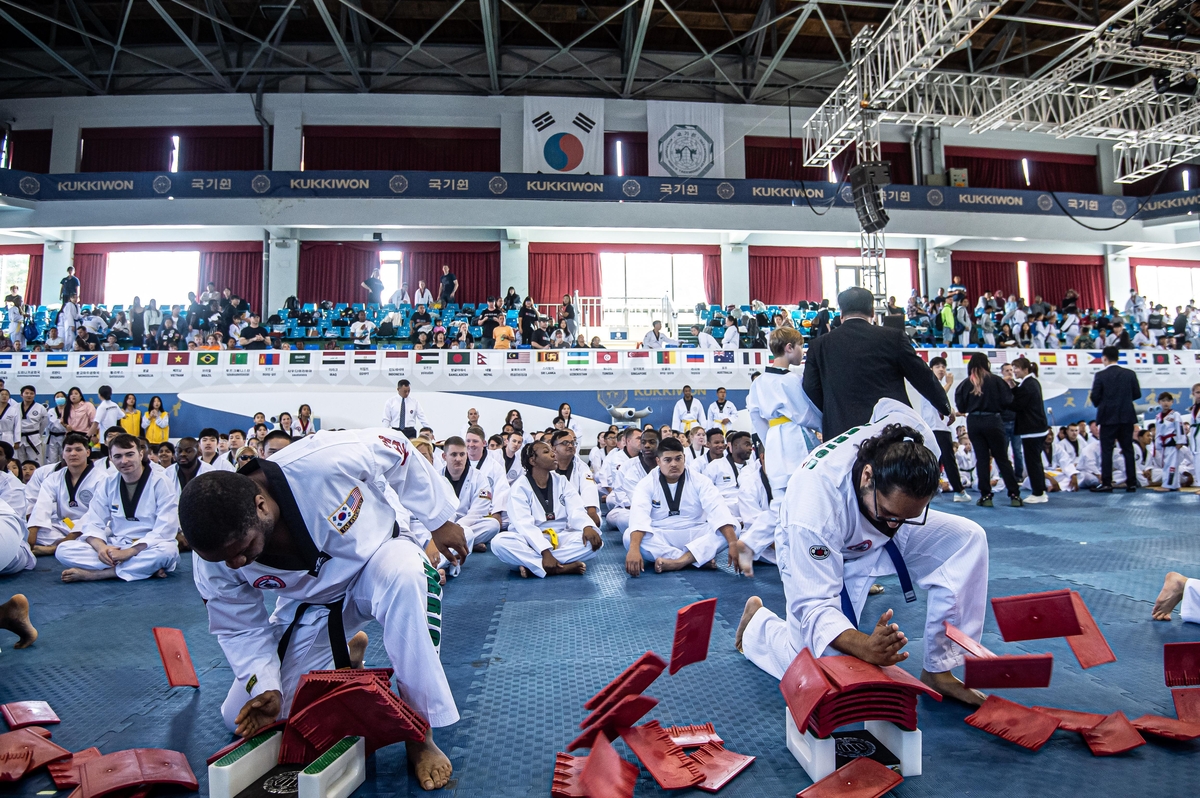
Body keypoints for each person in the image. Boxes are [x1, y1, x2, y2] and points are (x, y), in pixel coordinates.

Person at [179, 430, 468, 791]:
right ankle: (346, 656)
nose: (235, 563)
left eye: (243, 548)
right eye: (223, 559)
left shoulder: (323, 461)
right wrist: (265, 684)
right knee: (247, 716)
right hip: (311, 605)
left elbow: (399, 448)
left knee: (410, 575)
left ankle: (419, 733)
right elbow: (239, 627)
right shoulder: (215, 558)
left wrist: (438, 520)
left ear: (261, 506)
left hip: (378, 563)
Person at [736, 403, 989, 706]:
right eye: (892, 513)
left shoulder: (914, 447)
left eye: (909, 515)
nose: (896, 525)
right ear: (868, 477)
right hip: (828, 541)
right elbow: (815, 607)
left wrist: (898, 517)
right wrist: (865, 646)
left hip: (871, 522)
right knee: (819, 663)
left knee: (966, 539)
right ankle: (757, 627)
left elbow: (887, 403)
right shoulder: (815, 507)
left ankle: (940, 669)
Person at [804, 287, 951, 441]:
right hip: (889, 433)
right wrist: (944, 406)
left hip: (841, 435)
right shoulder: (894, 338)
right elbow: (922, 376)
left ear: (841, 313)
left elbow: (810, 388)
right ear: (872, 312)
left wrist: (832, 411)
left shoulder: (818, 345)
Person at [54, 433, 179, 583]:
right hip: (117, 545)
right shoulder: (108, 483)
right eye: (118, 456)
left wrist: (131, 552)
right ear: (111, 458)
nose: (124, 461)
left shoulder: (161, 482)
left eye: (129, 454)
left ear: (140, 454)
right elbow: (94, 520)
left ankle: (99, 574)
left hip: (150, 546)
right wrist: (101, 548)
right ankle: (142, 569)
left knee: (167, 552)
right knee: (63, 550)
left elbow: (166, 528)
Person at [624, 436, 742, 576]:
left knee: (734, 526)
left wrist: (734, 544)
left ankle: (678, 562)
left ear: (684, 458)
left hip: (696, 531)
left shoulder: (700, 480)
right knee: (628, 537)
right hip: (662, 534)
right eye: (667, 460)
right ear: (658, 461)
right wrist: (633, 549)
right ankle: (694, 558)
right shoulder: (646, 483)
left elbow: (717, 509)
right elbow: (639, 516)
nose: (673, 464)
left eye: (678, 459)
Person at [491, 440, 602, 578]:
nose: (553, 454)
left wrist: (587, 526)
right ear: (533, 460)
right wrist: (545, 552)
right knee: (499, 543)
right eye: (546, 452)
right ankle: (558, 567)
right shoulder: (520, 487)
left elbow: (576, 509)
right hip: (528, 540)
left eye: (552, 451)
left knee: (595, 542)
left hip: (560, 536)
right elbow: (523, 524)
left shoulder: (561, 481)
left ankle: (535, 566)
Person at [747, 327, 822, 501]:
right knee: (804, 488)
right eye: (800, 346)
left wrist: (769, 440)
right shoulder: (792, 380)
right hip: (795, 435)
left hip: (773, 438)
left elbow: (756, 417)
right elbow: (805, 414)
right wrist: (824, 424)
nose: (802, 352)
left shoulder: (758, 382)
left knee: (780, 496)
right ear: (789, 348)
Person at [955, 353, 1023, 507]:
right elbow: (1008, 401)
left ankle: (986, 496)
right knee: (1002, 459)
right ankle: (1014, 495)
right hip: (993, 420)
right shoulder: (997, 381)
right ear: (987, 364)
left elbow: (961, 407)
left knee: (982, 459)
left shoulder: (965, 384)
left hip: (974, 422)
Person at [26, 432, 102, 557]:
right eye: (68, 450)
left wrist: (70, 537)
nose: (73, 454)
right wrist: (32, 530)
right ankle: (69, 545)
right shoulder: (54, 478)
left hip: (89, 526)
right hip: (64, 525)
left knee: (104, 531)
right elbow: (42, 505)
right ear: (63, 454)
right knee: (32, 530)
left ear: (88, 453)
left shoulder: (101, 478)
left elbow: (96, 512)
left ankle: (54, 548)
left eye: (78, 449)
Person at [1089, 346, 1140, 493]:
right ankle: (1131, 483)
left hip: (1107, 418)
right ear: (1118, 357)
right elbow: (1136, 394)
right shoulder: (1130, 374)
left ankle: (1107, 483)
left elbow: (1095, 397)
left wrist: (1104, 403)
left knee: (1107, 451)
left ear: (1104, 358)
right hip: (1126, 416)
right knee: (1128, 450)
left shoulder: (1100, 375)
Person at [923, 357, 970, 503]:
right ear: (931, 369)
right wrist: (949, 383)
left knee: (937, 461)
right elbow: (937, 397)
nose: (941, 369)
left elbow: (941, 406)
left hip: (940, 427)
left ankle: (929, 489)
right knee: (947, 460)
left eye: (943, 366)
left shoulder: (940, 386)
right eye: (937, 366)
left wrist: (955, 413)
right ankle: (958, 490)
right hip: (936, 428)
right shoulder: (928, 384)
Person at [1010, 357, 1049, 503]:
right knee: (1034, 462)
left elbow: (1017, 404)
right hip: (1035, 429)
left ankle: (1039, 493)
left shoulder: (1028, 384)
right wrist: (1013, 387)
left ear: (1025, 369)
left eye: (1016, 368)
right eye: (1013, 368)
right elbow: (1019, 396)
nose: (1014, 371)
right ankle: (1039, 490)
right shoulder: (1030, 383)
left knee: (1033, 462)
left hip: (1032, 429)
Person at [605, 428, 657, 534]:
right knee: (621, 518)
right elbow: (619, 491)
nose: (647, 445)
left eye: (652, 442)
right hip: (632, 509)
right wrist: (634, 507)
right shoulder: (628, 466)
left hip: (661, 511)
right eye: (643, 442)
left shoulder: (666, 464)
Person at [550, 429, 600, 527]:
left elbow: (589, 488)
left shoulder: (582, 467)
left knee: (589, 540)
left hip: (578, 514)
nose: (570, 445)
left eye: (573, 443)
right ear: (554, 448)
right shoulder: (546, 467)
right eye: (565, 443)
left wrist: (591, 511)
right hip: (553, 515)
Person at [704, 430, 752, 522]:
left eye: (751, 445)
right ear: (735, 445)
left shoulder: (753, 468)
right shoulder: (716, 466)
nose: (750, 448)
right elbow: (705, 492)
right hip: (723, 516)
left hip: (748, 514)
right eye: (747, 444)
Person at [1156, 391, 1185, 491]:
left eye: (1168, 401)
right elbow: (1158, 432)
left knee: (1171, 464)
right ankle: (1175, 485)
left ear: (1172, 402)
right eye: (1163, 401)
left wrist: (1180, 441)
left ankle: (1168, 485)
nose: (1166, 403)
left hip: (1173, 442)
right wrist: (1157, 444)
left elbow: (1180, 428)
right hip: (1164, 443)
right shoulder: (1158, 417)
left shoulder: (1175, 414)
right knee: (1167, 464)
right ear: (1159, 402)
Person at [15, 385, 46, 465]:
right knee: (20, 463)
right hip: (19, 439)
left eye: (31, 393)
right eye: (26, 393)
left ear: (34, 395)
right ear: (21, 395)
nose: (29, 395)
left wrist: (37, 434)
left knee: (36, 462)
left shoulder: (40, 408)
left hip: (34, 438)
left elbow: (43, 424)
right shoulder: (15, 407)